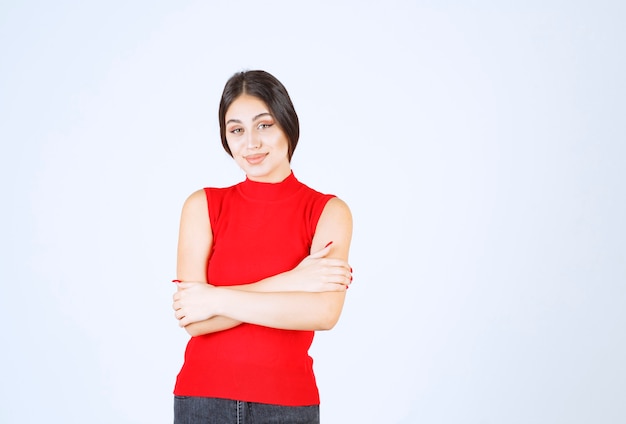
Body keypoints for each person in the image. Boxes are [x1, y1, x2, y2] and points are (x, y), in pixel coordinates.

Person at [171, 70, 353, 424]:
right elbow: (193, 320)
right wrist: (292, 280)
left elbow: (323, 313)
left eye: (264, 125)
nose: (251, 143)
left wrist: (214, 299)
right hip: (202, 400)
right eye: (236, 130)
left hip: (287, 403)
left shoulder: (328, 211)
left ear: (287, 124)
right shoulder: (203, 206)